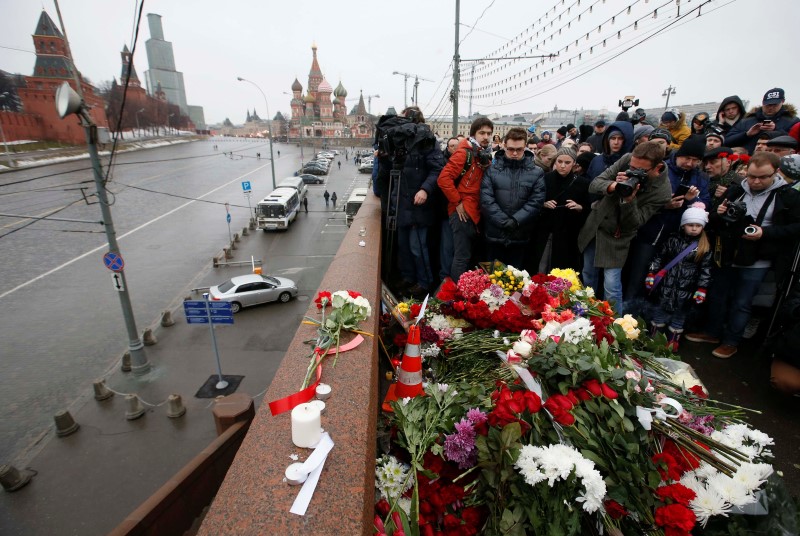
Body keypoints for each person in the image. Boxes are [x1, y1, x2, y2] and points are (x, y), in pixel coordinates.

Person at [686, 152, 800, 358]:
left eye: (763, 177)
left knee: (742, 302)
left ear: (776, 173)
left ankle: (731, 341)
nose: (756, 181)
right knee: (718, 296)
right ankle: (712, 332)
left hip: (758, 258)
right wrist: (719, 213)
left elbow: (795, 228)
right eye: (752, 176)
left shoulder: (788, 196)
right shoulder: (736, 190)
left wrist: (765, 232)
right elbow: (712, 218)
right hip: (728, 253)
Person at [578, 141, 673, 312]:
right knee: (588, 275)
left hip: (618, 237)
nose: (634, 172)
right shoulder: (628, 159)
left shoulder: (662, 191)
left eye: (641, 171)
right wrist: (614, 185)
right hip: (597, 226)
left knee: (612, 285)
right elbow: (595, 183)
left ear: (657, 168)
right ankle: (584, 316)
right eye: (632, 167)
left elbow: (636, 222)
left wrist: (629, 200)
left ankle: (615, 328)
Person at [624, 135, 711, 309]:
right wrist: (665, 204)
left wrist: (690, 201)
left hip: (679, 239)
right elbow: (641, 197)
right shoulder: (662, 170)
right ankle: (628, 312)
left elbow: (706, 202)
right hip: (651, 232)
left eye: (695, 160)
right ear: (679, 155)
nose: (690, 163)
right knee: (638, 275)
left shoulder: (701, 178)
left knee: (664, 281)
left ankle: (651, 317)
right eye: (687, 158)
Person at [645, 204, 713, 351]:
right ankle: (654, 343)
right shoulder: (672, 239)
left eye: (698, 225)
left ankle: (671, 345)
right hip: (666, 285)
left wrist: (702, 288)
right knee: (659, 314)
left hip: (687, 291)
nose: (694, 228)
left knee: (678, 318)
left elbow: (706, 269)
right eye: (690, 225)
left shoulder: (704, 246)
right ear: (683, 225)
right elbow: (659, 257)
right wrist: (652, 273)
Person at [437, 116, 494, 281]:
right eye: (481, 133)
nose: (485, 136)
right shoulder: (464, 153)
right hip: (463, 211)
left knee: (468, 257)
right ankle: (456, 297)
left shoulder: (481, 154)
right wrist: (457, 202)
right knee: (462, 257)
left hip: (474, 210)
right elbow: (443, 179)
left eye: (488, 133)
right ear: (473, 134)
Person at [480, 127, 545, 267]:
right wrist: (504, 222)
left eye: (519, 149)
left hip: (521, 235)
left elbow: (536, 202)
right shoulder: (491, 171)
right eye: (510, 149)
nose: (514, 153)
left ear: (525, 147)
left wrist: (515, 221)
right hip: (495, 235)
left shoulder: (537, 172)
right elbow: (486, 200)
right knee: (493, 282)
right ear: (503, 146)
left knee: (518, 283)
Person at [529, 146, 590, 273]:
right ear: (555, 161)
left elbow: (588, 208)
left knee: (562, 270)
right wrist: (544, 204)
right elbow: (533, 201)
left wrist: (579, 207)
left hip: (568, 234)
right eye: (559, 161)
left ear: (574, 164)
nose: (562, 166)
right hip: (545, 231)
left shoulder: (583, 183)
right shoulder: (545, 178)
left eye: (567, 162)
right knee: (541, 266)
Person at [724, 88, 800, 154]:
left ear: (782, 101)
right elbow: (727, 141)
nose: (770, 107)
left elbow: (794, 143)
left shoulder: (792, 121)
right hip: (747, 161)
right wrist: (747, 134)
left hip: (776, 162)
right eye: (768, 104)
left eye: (774, 105)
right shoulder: (747, 120)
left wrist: (775, 130)